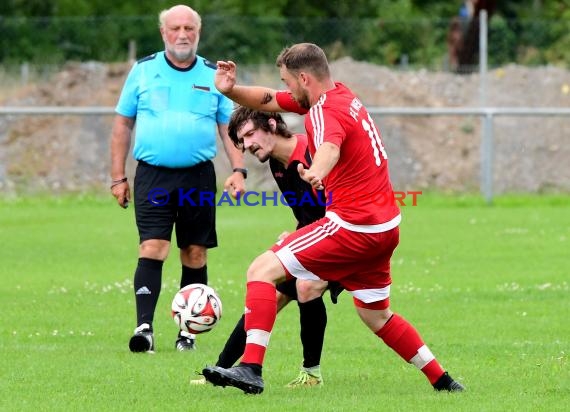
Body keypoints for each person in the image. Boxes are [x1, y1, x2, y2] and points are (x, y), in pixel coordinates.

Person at [201, 43, 465, 394]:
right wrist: (231, 89)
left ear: (304, 78)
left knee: (260, 270)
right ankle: (442, 380)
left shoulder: (323, 113)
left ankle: (250, 368)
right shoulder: (342, 96)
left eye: (287, 81)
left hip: (352, 224)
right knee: (376, 315)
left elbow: (329, 147)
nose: (285, 89)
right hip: (386, 228)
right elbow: (267, 100)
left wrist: (315, 171)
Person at [109, 5, 246, 353]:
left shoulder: (214, 75)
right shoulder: (142, 71)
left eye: (189, 28)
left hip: (198, 177)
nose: (182, 34)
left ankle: (189, 333)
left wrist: (238, 170)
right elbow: (122, 125)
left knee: (194, 252)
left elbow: (228, 129)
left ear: (198, 33)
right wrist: (117, 177)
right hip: (152, 175)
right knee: (153, 247)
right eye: (175, 28)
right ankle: (144, 329)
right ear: (163, 33)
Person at [192, 106, 343, 387]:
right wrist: (297, 233)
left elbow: (340, 206)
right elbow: (309, 210)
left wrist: (301, 237)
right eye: (242, 140)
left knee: (308, 287)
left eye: (250, 134)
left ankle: (312, 374)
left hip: (344, 235)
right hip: (314, 236)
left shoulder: (313, 153)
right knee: (269, 295)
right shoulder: (276, 162)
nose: (247, 145)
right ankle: (220, 371)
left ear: (272, 124)